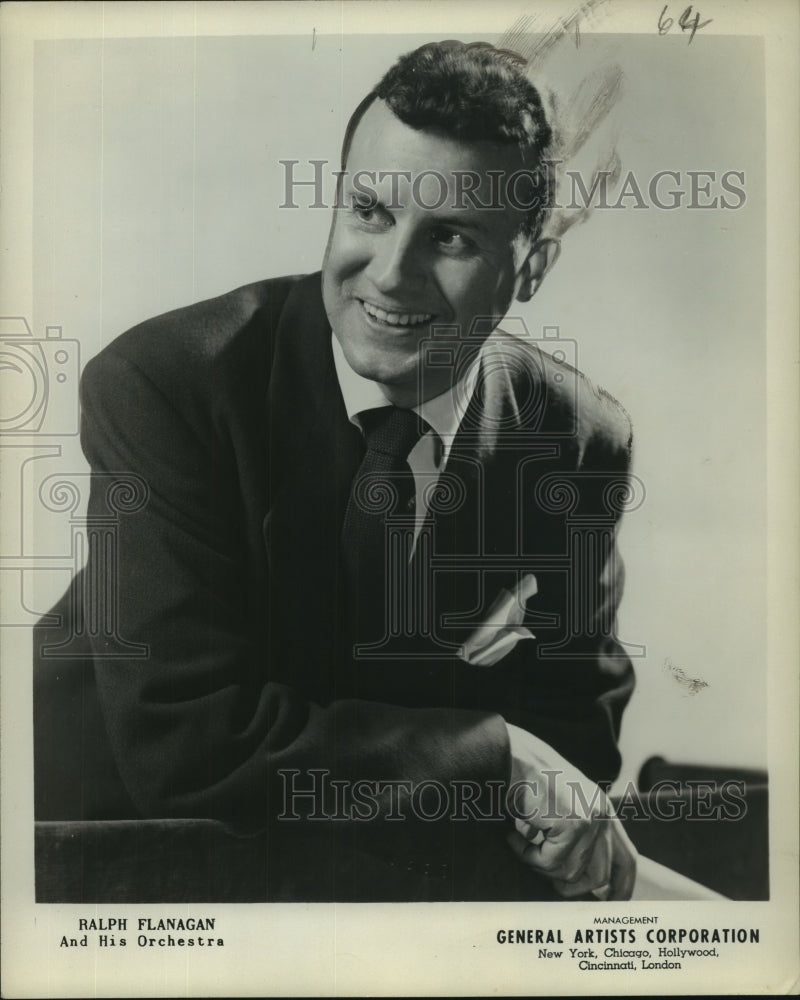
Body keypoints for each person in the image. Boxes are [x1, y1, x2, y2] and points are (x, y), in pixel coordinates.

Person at [34, 40, 637, 902]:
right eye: (370, 212)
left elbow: (576, 733)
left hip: (366, 884)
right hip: (99, 863)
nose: (390, 275)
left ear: (531, 267)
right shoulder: (167, 384)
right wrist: (491, 755)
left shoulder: (577, 437)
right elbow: (190, 745)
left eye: (453, 235)